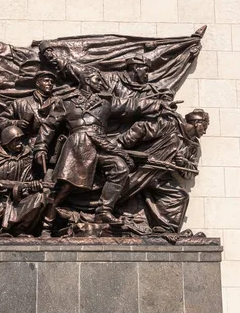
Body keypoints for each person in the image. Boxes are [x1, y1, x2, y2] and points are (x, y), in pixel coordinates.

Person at [34, 66, 173, 235]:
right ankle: (46, 225)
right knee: (64, 188)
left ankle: (103, 211)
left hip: (100, 144)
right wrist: (41, 146)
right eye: (97, 79)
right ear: (86, 80)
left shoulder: (106, 101)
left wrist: (158, 104)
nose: (101, 83)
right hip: (77, 145)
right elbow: (49, 125)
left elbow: (131, 105)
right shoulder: (67, 101)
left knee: (120, 167)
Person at [0, 70, 57, 144]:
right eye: (46, 81)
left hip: (54, 144)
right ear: (38, 83)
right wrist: (16, 123)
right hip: (28, 146)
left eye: (52, 82)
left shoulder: (58, 103)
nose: (50, 84)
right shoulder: (21, 103)